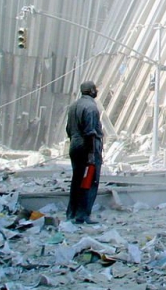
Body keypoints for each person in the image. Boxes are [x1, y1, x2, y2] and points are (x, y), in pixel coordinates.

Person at [66, 80, 103, 224]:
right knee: (89, 181)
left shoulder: (73, 106)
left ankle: (71, 213)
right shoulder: (91, 108)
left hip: (74, 146)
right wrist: (91, 155)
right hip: (87, 148)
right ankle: (83, 215)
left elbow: (68, 129)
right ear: (92, 91)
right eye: (95, 89)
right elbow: (90, 133)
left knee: (76, 180)